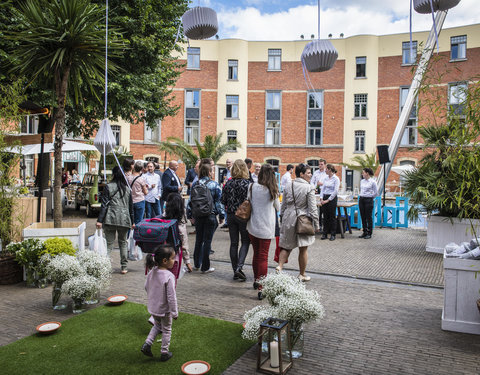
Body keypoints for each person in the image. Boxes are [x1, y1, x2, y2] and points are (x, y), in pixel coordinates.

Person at [277, 163, 319, 281]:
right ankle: (302, 274)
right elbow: (312, 208)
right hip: (302, 219)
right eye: (309, 173)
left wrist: (282, 217)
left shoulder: (288, 185)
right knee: (303, 248)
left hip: (288, 217)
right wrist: (317, 223)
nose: (311, 175)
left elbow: (283, 204)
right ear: (301, 174)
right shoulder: (309, 187)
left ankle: (279, 267)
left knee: (286, 246)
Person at [247, 164, 280, 300]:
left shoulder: (252, 187)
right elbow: (278, 207)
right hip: (266, 228)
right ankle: (262, 286)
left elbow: (249, 201)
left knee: (256, 254)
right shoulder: (272, 190)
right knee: (263, 257)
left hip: (253, 225)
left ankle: (256, 280)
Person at [141, 245, 178, 361]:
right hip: (165, 310)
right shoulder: (169, 276)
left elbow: (146, 287)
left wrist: (154, 298)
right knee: (166, 329)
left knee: (157, 326)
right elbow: (171, 297)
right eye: (173, 258)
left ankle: (147, 344)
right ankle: (164, 352)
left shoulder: (152, 272)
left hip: (154, 308)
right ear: (165, 261)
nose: (175, 260)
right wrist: (174, 312)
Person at [96, 166, 134, 274]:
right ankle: (124, 267)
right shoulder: (127, 189)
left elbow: (104, 205)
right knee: (123, 243)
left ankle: (105, 266)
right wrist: (133, 221)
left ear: (113, 174)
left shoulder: (109, 186)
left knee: (109, 244)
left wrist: (99, 220)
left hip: (110, 218)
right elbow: (131, 207)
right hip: (124, 218)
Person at [190, 162, 224, 273]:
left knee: (198, 240)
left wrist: (190, 215)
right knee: (207, 241)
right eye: (212, 170)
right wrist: (221, 215)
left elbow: (191, 201)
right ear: (209, 172)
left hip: (199, 216)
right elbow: (219, 202)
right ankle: (205, 267)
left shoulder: (195, 184)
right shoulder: (214, 185)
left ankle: (196, 264)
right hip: (210, 215)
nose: (213, 172)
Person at [221, 159, 251, 281]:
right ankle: (239, 267)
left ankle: (235, 270)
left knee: (233, 243)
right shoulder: (247, 184)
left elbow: (223, 200)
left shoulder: (228, 183)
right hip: (243, 216)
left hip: (231, 215)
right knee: (245, 241)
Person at [163, 193, 193, 273]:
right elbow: (184, 245)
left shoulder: (163, 220)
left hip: (161, 255)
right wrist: (187, 262)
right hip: (173, 256)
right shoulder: (180, 226)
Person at [320, 164, 340, 241]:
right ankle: (325, 233)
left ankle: (333, 234)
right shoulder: (325, 178)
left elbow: (335, 191)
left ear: (330, 170)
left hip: (332, 198)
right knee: (325, 216)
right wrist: (321, 198)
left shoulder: (336, 179)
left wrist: (328, 200)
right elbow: (323, 189)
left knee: (332, 216)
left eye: (326, 169)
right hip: (325, 196)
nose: (325, 171)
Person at [359, 168, 378, 239]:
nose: (362, 174)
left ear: (367, 173)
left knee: (368, 217)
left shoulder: (373, 182)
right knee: (362, 216)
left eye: (363, 172)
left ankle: (369, 233)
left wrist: (370, 197)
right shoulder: (362, 181)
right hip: (361, 199)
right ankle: (364, 231)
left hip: (368, 200)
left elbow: (376, 193)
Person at [310, 158, 327, 230]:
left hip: (324, 191)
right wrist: (314, 188)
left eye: (321, 164)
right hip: (317, 191)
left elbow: (329, 182)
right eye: (319, 164)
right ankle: (318, 224)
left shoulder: (327, 173)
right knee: (316, 209)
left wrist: (322, 184)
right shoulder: (316, 172)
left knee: (323, 209)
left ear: (325, 165)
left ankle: (323, 225)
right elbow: (312, 182)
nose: (320, 166)